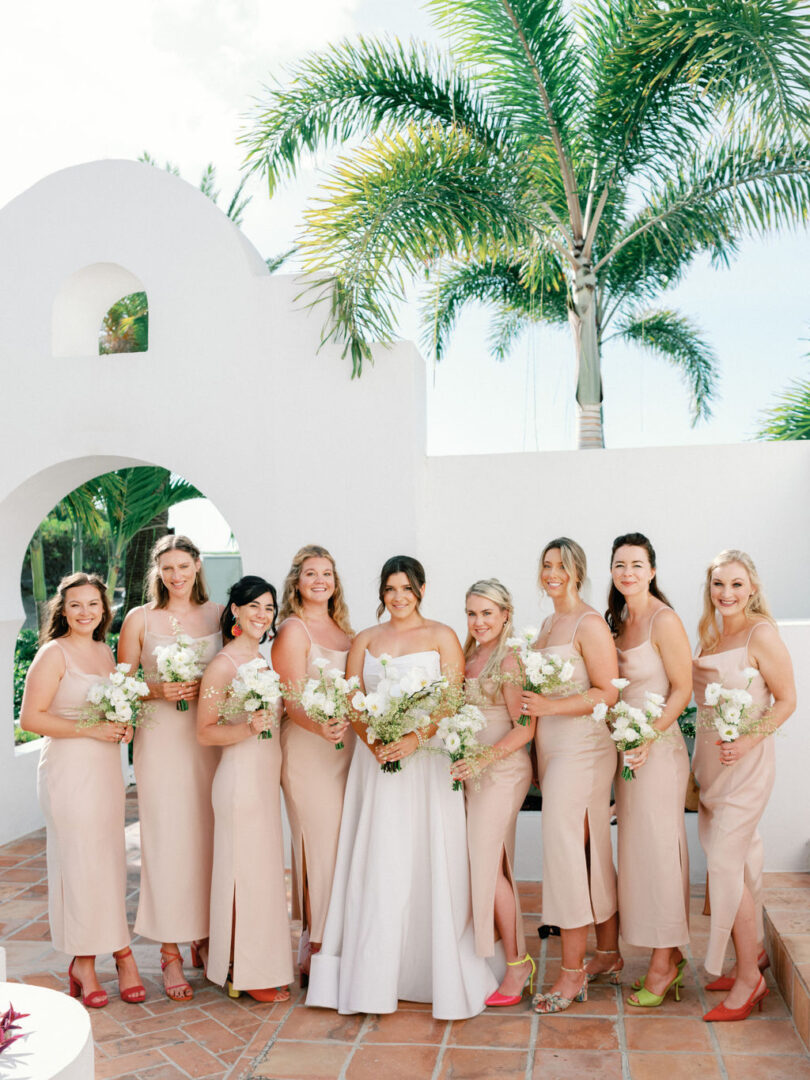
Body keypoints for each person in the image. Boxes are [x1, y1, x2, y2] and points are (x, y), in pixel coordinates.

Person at [306, 555, 497, 1019]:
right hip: (376, 761)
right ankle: (374, 975)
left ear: (421, 590)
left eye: (406, 588)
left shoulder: (442, 635)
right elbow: (353, 698)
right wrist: (374, 741)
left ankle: (431, 970)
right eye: (390, 589)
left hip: (427, 760)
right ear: (382, 593)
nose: (398, 597)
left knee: (430, 852)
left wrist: (415, 738)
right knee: (382, 855)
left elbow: (451, 697)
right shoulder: (366, 639)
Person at [20, 573, 145, 1008]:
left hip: (106, 771)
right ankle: (89, 962)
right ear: (63, 610)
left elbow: (113, 709)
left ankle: (114, 951)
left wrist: (124, 727)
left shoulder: (104, 651)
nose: (85, 612)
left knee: (107, 863)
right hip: (68, 772)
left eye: (93, 604)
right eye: (76, 604)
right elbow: (30, 718)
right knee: (78, 865)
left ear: (104, 609)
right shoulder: (53, 653)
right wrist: (92, 729)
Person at [118, 535, 222, 1001]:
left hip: (209, 741)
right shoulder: (139, 619)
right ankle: (169, 951)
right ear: (157, 572)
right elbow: (120, 686)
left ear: (197, 565)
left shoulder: (219, 614)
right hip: (161, 741)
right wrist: (159, 690)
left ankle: (204, 933)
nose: (176, 575)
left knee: (208, 837)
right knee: (166, 840)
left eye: (183, 566)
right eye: (167, 568)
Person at [693, 549, 795, 1022]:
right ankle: (750, 954)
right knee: (743, 861)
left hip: (747, 765)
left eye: (736, 584)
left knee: (725, 864)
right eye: (719, 584)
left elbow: (786, 700)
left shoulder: (761, 633)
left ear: (752, 587)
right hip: (711, 765)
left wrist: (747, 741)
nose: (726, 593)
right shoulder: (710, 634)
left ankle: (750, 981)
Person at [521, 538, 619, 1014]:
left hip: (584, 749)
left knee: (566, 855)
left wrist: (549, 707)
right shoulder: (546, 624)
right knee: (585, 851)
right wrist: (536, 754)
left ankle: (572, 971)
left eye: (561, 565)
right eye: (546, 565)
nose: (552, 573)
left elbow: (608, 693)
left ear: (578, 571)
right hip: (553, 750)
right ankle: (609, 953)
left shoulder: (589, 623)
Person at [602, 533, 692, 1007]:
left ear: (652, 570)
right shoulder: (617, 622)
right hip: (628, 752)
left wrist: (649, 737)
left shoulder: (664, 619)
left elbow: (683, 688)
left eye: (637, 564)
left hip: (657, 751)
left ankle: (665, 964)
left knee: (660, 852)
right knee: (638, 853)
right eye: (620, 565)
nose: (628, 572)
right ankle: (665, 951)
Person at [197, 576, 292, 1002]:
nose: (262, 615)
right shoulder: (223, 665)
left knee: (261, 875)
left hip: (263, 782)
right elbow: (204, 731)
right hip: (239, 781)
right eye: (254, 606)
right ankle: (243, 971)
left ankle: (257, 964)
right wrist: (247, 728)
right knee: (243, 875)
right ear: (235, 610)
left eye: (269, 608)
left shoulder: (261, 659)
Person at [271, 545, 355, 987]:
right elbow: (291, 700)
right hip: (308, 748)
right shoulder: (293, 630)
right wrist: (321, 727)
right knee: (318, 846)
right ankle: (319, 946)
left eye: (327, 573)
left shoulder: (346, 632)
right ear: (297, 582)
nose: (319, 580)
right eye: (310, 573)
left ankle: (328, 935)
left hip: (347, 750)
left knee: (341, 846)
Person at [452, 579, 535, 1006]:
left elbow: (526, 728)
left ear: (505, 615)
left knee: (487, 865)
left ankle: (518, 964)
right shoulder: (467, 656)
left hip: (502, 771)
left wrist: (482, 759)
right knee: (486, 862)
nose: (479, 621)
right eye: (472, 613)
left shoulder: (509, 660)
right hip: (472, 772)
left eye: (487, 613)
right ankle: (500, 956)